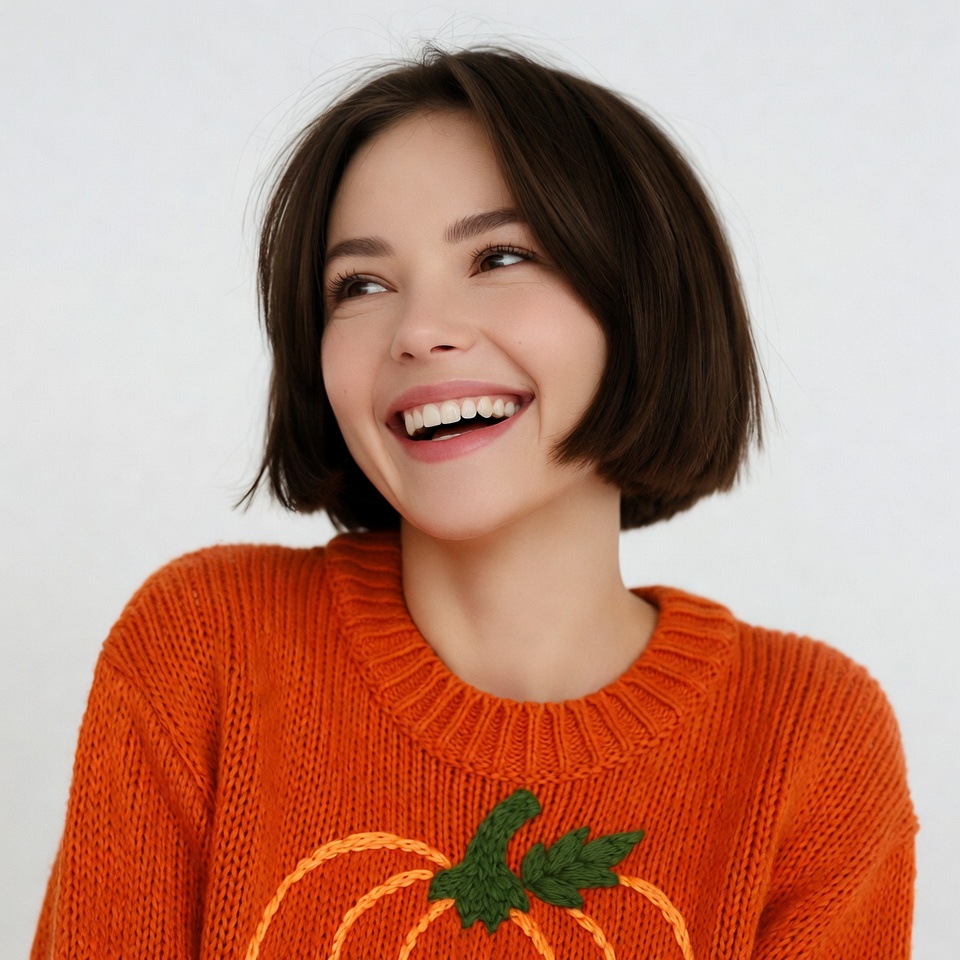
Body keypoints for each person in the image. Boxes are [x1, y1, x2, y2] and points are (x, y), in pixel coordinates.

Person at [31, 46, 916, 959]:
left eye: (499, 256)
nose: (417, 331)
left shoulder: (810, 741)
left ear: (643, 305)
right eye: (361, 285)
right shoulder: (203, 648)